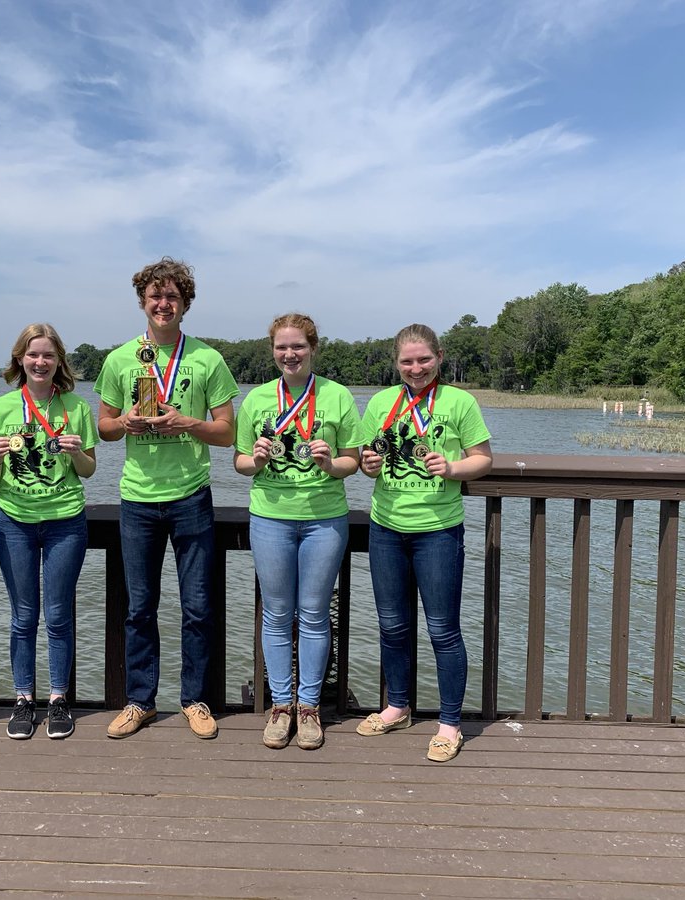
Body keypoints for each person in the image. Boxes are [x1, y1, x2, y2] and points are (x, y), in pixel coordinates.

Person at [96, 257, 239, 740]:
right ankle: (140, 701)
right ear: (143, 302)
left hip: (191, 498)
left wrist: (186, 422)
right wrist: (126, 423)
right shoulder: (119, 359)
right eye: (155, 297)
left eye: (172, 297)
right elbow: (104, 428)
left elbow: (226, 434)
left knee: (197, 607)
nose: (163, 304)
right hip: (137, 500)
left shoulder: (208, 360)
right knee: (140, 608)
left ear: (185, 303)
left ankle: (194, 700)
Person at [356, 323, 492, 762]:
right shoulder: (380, 403)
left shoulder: (459, 401)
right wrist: (369, 464)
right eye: (407, 361)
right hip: (386, 528)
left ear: (439, 357)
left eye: (423, 359)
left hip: (438, 529)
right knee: (392, 626)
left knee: (442, 630)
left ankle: (450, 723)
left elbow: (483, 459)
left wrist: (452, 469)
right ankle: (398, 706)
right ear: (396, 363)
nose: (416, 368)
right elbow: (367, 461)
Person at [233, 314, 361, 750]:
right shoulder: (257, 399)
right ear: (272, 351)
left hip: (324, 518)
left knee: (312, 614)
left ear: (313, 349)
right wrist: (259, 459)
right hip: (270, 517)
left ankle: (309, 707)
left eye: (298, 347)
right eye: (282, 347)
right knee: (275, 614)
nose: (290, 355)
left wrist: (329, 464)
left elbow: (353, 461)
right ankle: (280, 705)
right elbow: (240, 463)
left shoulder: (338, 396)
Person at [0, 324, 98, 740]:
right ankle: (24, 699)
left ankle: (59, 698)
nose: (40, 362)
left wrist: (78, 451)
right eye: (32, 355)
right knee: (24, 616)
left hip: (66, 520)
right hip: (15, 522)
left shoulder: (76, 407)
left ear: (59, 360)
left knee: (60, 614)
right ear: (19, 361)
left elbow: (89, 470)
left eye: (48, 355)